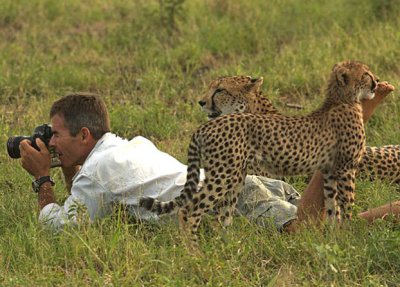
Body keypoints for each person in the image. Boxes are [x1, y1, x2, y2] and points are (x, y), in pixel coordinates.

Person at [19, 83, 399, 231]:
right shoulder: (121, 147)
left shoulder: (98, 171)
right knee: (326, 221)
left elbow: (62, 227)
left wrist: (42, 179)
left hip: (228, 200)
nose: (49, 142)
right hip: (239, 187)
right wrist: (70, 165)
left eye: (54, 135)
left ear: (84, 135)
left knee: (311, 231)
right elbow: (85, 200)